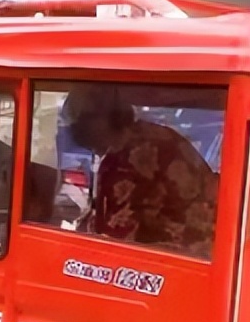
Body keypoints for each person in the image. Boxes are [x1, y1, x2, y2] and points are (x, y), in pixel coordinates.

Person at [60, 84, 218, 258]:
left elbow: (113, 242)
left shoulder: (122, 162)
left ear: (95, 122)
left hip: (182, 257)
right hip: (211, 246)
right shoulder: (155, 134)